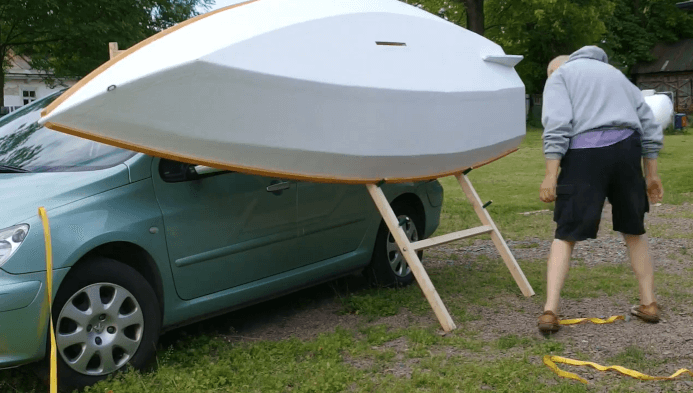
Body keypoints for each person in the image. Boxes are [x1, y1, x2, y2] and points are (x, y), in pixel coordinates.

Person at [537, 46, 664, 333]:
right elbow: (650, 124)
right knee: (634, 229)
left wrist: (550, 175)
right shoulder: (617, 76)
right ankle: (649, 303)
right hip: (627, 151)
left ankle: (550, 310)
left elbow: (557, 125)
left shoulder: (562, 75)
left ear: (556, 69)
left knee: (565, 233)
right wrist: (652, 174)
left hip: (585, 154)